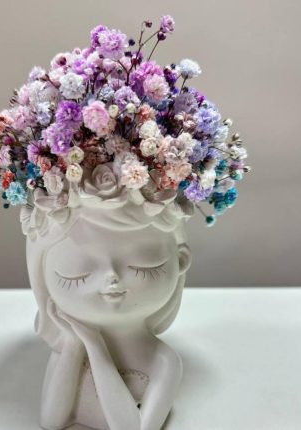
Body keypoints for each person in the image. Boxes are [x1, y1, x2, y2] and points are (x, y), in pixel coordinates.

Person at [23, 179, 192, 430]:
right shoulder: (69, 346)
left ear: (181, 262)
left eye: (143, 267)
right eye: (76, 273)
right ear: (43, 276)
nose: (112, 279)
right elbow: (51, 421)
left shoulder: (164, 361)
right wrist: (73, 345)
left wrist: (94, 345)